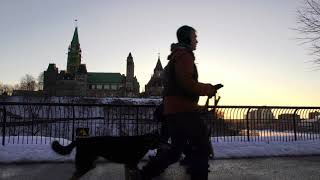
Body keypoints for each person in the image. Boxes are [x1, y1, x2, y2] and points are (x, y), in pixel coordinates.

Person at [138, 25, 221, 180]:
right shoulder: (184, 56)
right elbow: (186, 84)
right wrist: (208, 89)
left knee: (175, 152)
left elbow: (177, 84)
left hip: (173, 111)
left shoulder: (175, 57)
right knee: (202, 147)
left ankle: (143, 175)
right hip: (185, 111)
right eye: (195, 37)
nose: (197, 40)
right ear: (187, 38)